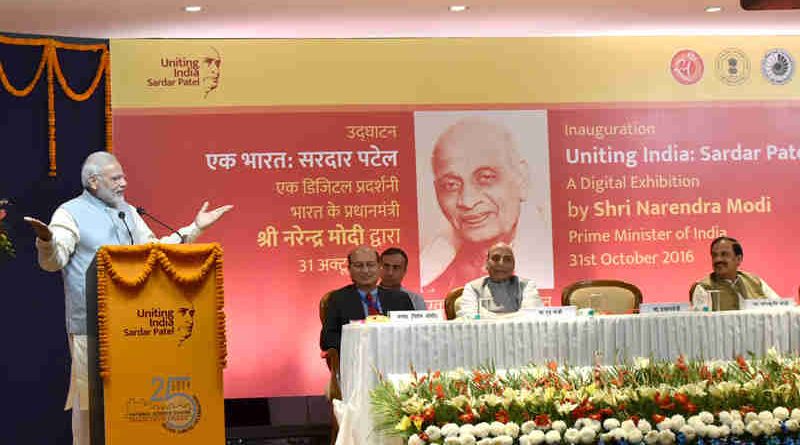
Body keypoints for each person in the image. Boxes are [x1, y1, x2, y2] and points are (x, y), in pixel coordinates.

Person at [24, 151, 232, 445]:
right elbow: (53, 261)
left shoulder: (129, 212)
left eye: (123, 176)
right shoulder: (69, 212)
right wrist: (46, 241)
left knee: (133, 402)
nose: (124, 182)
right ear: (94, 182)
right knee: (90, 407)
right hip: (91, 329)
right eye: (116, 178)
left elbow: (155, 251)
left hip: (136, 327)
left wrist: (195, 228)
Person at [420, 116, 550, 297]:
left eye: (486, 178)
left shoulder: (550, 259)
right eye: (451, 185)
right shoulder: (431, 275)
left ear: (522, 179)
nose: (467, 201)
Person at [320, 245, 413, 352]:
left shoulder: (400, 299)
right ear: (349, 269)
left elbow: (413, 334)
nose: (365, 270)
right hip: (357, 360)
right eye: (358, 265)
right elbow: (327, 340)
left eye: (370, 265)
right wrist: (363, 343)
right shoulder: (338, 299)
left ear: (379, 267)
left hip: (396, 358)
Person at [456, 242, 543, 319]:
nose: (501, 263)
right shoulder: (472, 287)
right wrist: (515, 316)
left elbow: (533, 315)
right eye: (496, 258)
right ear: (486, 264)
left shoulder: (526, 286)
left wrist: (485, 315)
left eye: (507, 259)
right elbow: (468, 317)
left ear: (514, 265)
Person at [691, 236, 780, 311]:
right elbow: (701, 322)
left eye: (724, 254)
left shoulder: (754, 281)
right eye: (714, 255)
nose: (718, 260)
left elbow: (779, 306)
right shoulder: (703, 287)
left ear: (739, 259)